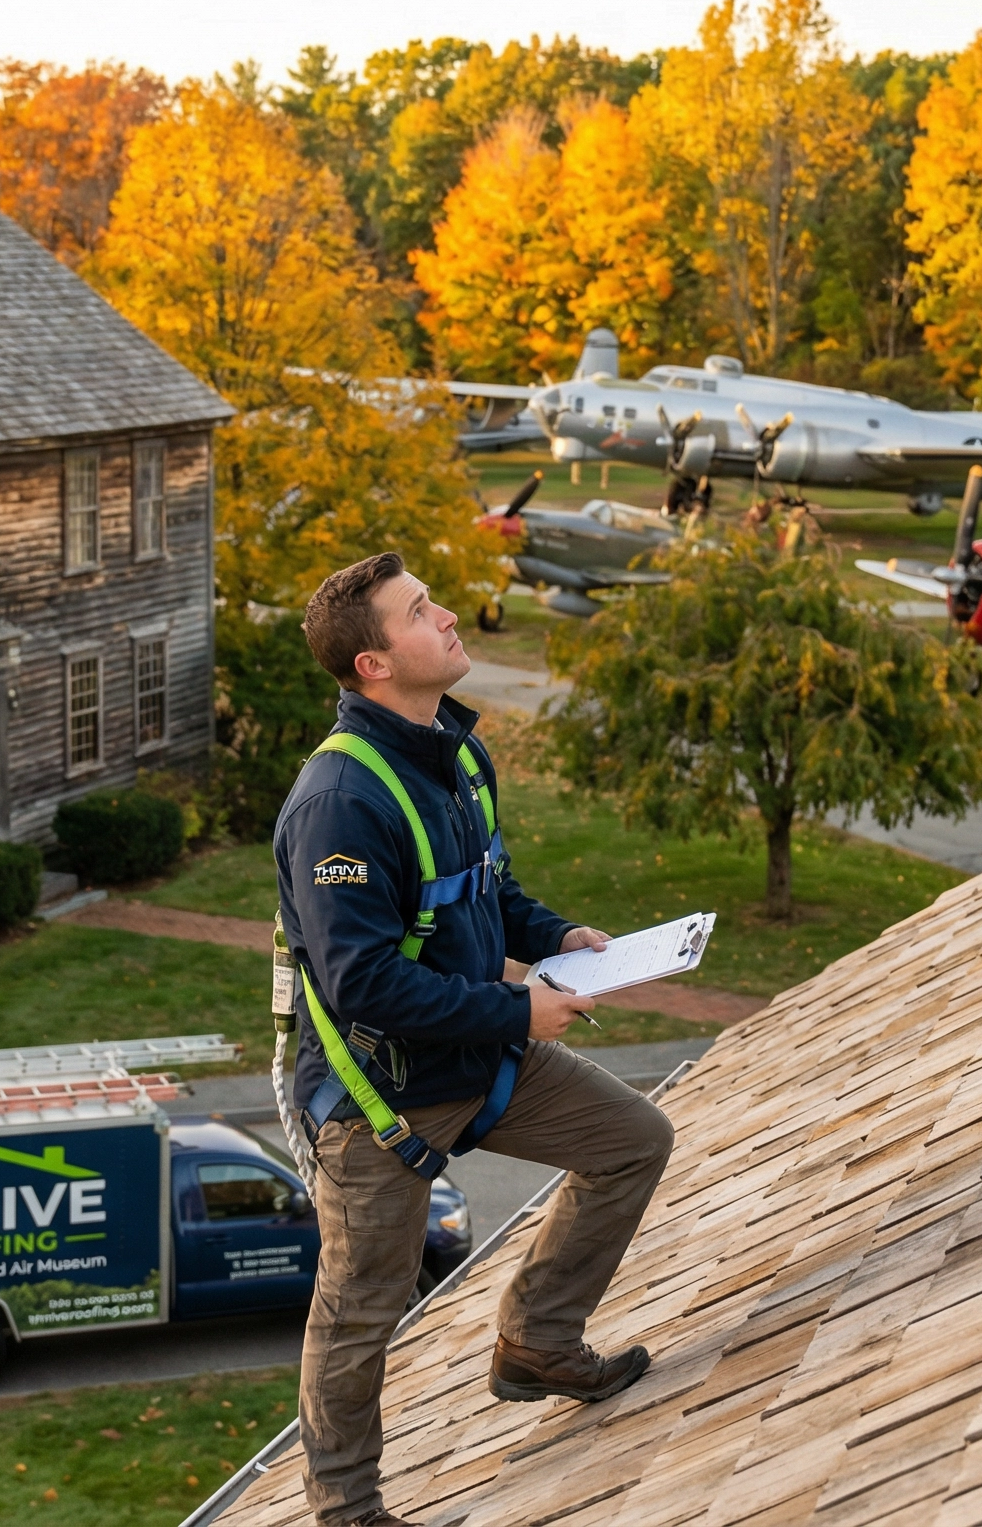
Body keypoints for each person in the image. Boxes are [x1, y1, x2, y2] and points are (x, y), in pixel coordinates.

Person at [275, 552, 675, 1527]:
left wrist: (554, 939)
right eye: (419, 611)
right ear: (374, 664)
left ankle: (535, 1340)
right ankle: (344, 1507)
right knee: (360, 1306)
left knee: (632, 1141)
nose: (448, 616)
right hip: (377, 1095)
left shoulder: (450, 750)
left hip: (476, 1051)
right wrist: (516, 1011)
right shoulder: (340, 801)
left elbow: (484, 886)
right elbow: (359, 982)